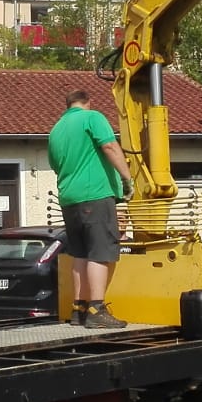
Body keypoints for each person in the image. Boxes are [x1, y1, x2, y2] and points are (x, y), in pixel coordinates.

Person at [47, 89, 133, 328]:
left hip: (69, 199)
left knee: (80, 253)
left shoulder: (56, 130)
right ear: (88, 102)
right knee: (100, 252)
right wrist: (127, 178)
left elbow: (56, 164)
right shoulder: (92, 117)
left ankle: (79, 309)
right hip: (94, 195)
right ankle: (97, 308)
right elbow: (110, 147)